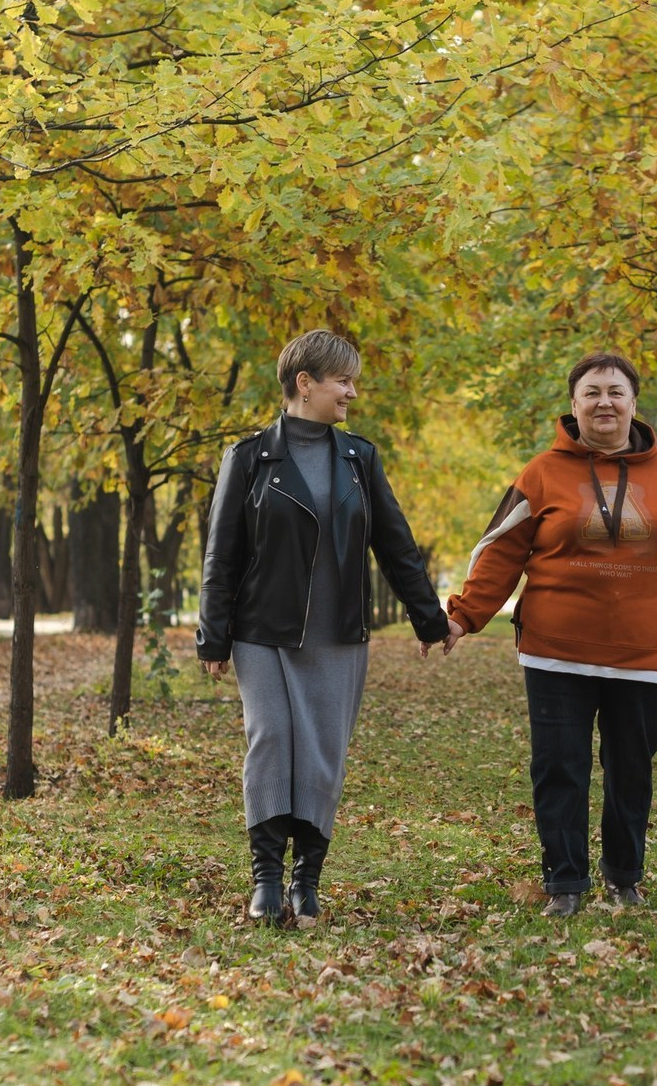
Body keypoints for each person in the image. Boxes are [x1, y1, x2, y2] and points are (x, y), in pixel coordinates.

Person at [431, 352, 657, 919]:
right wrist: (464, 615)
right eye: (592, 393)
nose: (604, 402)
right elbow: (500, 552)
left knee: (631, 769)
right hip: (555, 653)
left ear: (634, 404)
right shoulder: (542, 472)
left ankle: (623, 876)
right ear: (574, 405)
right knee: (558, 767)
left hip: (644, 654)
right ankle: (565, 882)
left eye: (615, 392)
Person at [196, 329, 449, 926]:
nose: (352, 393)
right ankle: (266, 881)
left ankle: (307, 881)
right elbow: (221, 555)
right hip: (264, 631)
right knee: (273, 740)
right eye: (343, 381)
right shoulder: (250, 458)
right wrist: (213, 634)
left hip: (338, 634)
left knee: (321, 755)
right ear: (304, 384)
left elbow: (396, 544)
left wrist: (428, 618)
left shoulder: (359, 459)